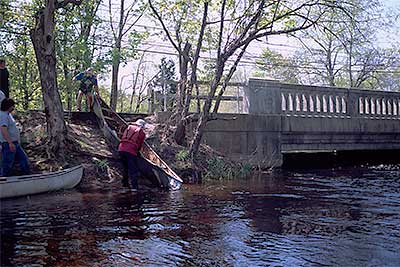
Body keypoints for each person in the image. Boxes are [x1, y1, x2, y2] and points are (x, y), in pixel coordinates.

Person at [0, 98, 30, 176]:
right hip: (8, 144)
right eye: (12, 106)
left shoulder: (8, 115)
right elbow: (3, 129)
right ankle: (5, 181)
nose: (13, 108)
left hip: (15, 143)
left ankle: (26, 177)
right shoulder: (3, 116)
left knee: (24, 160)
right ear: (8, 106)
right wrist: (10, 143)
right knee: (7, 164)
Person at [118, 119, 146, 190]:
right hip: (130, 151)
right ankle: (134, 188)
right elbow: (139, 145)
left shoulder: (129, 127)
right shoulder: (142, 132)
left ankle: (124, 184)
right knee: (133, 170)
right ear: (142, 126)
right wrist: (138, 152)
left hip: (121, 149)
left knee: (125, 168)